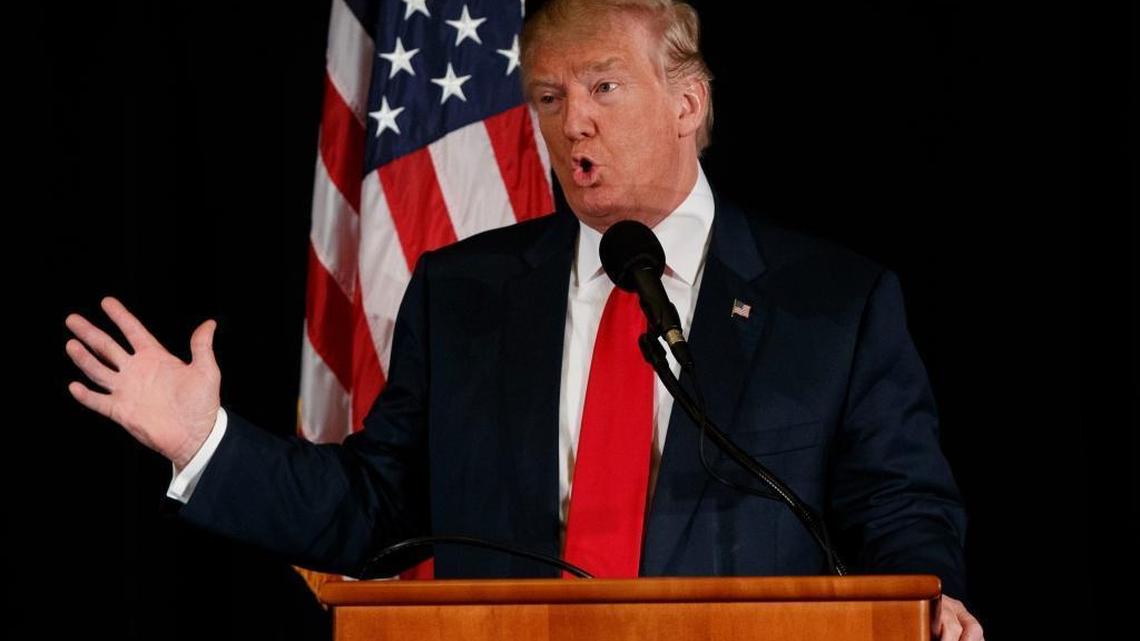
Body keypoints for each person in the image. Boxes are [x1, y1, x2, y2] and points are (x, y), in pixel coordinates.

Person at [63, 1, 983, 639]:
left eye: (603, 87)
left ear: (687, 103)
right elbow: (379, 511)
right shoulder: (463, 293)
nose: (572, 122)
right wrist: (207, 442)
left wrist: (930, 603)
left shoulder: (833, 301)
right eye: (549, 97)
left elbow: (899, 508)